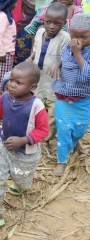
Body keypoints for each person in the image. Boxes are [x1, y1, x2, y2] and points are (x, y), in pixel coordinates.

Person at [0, 62, 49, 230]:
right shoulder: (4, 97)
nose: (12, 85)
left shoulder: (36, 106)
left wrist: (24, 140)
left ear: (32, 86)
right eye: (11, 80)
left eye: (19, 83)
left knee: (22, 181)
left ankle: (21, 184)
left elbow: (43, 130)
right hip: (4, 147)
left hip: (26, 153)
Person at [26, 3, 70, 153]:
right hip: (38, 80)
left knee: (51, 114)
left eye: (57, 23)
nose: (51, 26)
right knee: (36, 108)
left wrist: (59, 63)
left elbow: (68, 57)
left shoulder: (65, 38)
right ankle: (32, 133)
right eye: (48, 22)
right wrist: (30, 58)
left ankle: (46, 139)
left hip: (54, 83)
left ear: (64, 23)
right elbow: (36, 49)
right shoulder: (39, 33)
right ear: (43, 20)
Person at [51, 14, 90, 176]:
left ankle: (73, 143)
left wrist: (78, 53)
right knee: (64, 127)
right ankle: (62, 160)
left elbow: (87, 75)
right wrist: (58, 64)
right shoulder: (68, 47)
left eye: (84, 36)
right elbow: (66, 60)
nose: (78, 40)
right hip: (64, 96)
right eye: (74, 36)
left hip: (83, 98)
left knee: (80, 129)